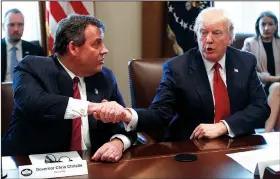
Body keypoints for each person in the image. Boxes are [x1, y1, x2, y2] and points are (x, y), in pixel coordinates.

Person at [93, 7, 270, 141]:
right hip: (192, 147)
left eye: (216, 33)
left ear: (230, 37)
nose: (208, 40)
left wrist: (224, 126)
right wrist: (127, 115)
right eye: (203, 32)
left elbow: (261, 108)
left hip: (238, 143)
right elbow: (160, 114)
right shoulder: (177, 68)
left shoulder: (246, 62)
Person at [2, 14, 137, 163]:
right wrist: (93, 107)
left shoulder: (105, 77)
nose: (105, 50)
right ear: (73, 48)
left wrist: (117, 143)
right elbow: (33, 104)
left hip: (92, 165)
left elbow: (127, 126)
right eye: (97, 43)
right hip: (30, 164)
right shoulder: (32, 67)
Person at [242, 11, 280, 132]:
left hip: (277, 86)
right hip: (259, 85)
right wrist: (271, 78)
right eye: (263, 24)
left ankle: (268, 133)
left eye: (270, 24)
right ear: (257, 25)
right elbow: (244, 69)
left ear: (276, 26)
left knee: (277, 88)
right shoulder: (249, 43)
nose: (267, 28)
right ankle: (269, 133)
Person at [1, 8, 45, 82]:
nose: (16, 29)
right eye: (11, 25)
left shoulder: (36, 51)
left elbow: (42, 79)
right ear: (3, 26)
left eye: (20, 24)